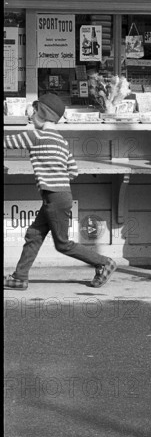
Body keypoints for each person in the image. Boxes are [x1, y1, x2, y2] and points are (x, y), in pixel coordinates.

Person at [3, 93, 117, 290]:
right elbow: (73, 171)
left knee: (62, 243)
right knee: (34, 235)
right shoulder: (62, 142)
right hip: (60, 195)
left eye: (33, 112)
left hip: (53, 196)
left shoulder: (35, 136)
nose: (30, 116)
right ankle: (20, 277)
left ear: (42, 113)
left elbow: (6, 143)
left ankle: (104, 262)